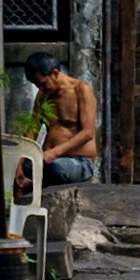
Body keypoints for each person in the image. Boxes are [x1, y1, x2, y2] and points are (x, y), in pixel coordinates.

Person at [22, 51, 98, 187]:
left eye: (43, 84)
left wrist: (55, 152)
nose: (41, 88)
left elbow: (88, 133)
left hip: (78, 161)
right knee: (17, 165)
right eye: (37, 85)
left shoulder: (81, 89)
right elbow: (32, 130)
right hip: (48, 160)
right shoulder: (43, 95)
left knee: (57, 169)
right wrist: (18, 164)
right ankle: (36, 180)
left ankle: (35, 184)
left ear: (55, 73)